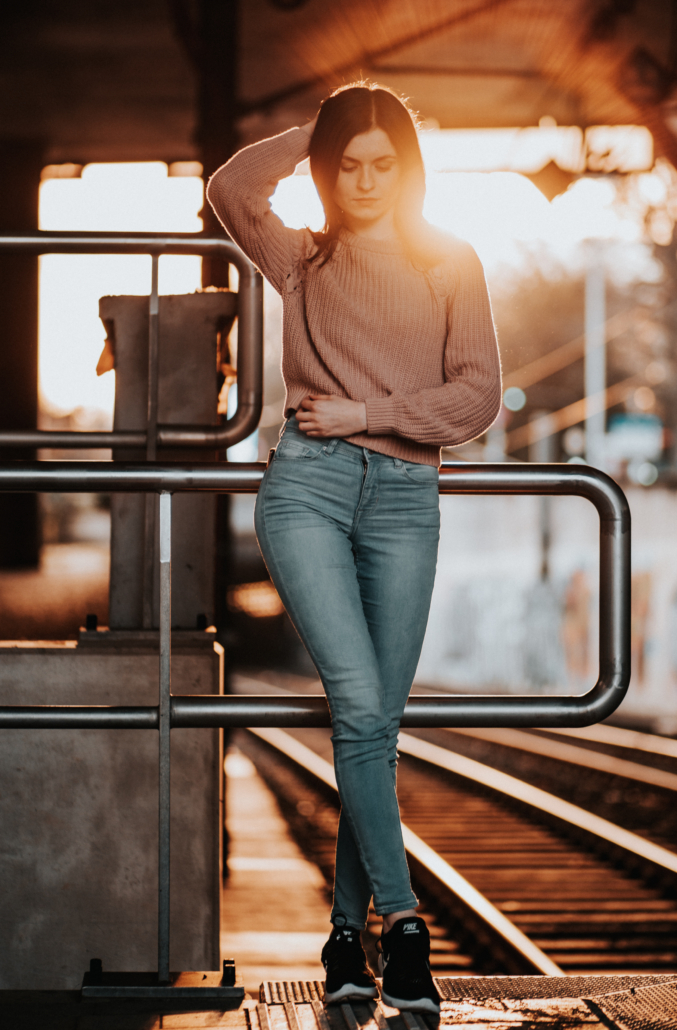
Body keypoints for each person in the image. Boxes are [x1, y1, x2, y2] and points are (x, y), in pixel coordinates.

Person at [208, 82, 501, 1014]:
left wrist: (369, 413)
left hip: (408, 504)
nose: (365, 179)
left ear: (407, 169)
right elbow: (231, 189)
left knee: (368, 726)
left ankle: (344, 942)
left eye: (384, 161)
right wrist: (320, 127)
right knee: (363, 710)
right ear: (330, 166)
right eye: (349, 161)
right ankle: (405, 929)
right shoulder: (299, 257)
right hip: (308, 494)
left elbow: (476, 397)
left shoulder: (450, 261)